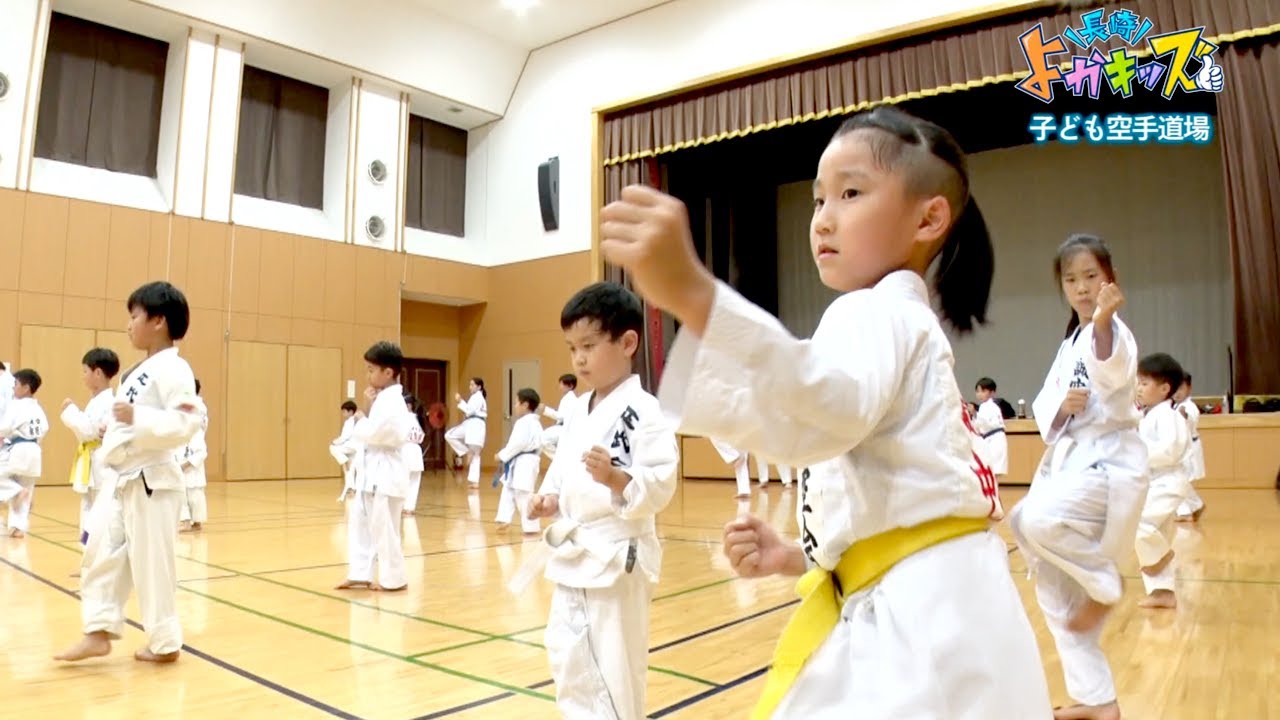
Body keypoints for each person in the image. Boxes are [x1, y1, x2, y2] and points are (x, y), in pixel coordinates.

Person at [599, 105, 1051, 718]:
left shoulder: (877, 312)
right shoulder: (900, 320)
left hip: (922, 622)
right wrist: (799, 556)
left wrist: (695, 293)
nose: (823, 219)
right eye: (817, 201)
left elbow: (820, 411)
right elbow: (890, 490)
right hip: (946, 606)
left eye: (851, 193)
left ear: (929, 216)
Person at [524, 282, 679, 720]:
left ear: (628, 342)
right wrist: (549, 499)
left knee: (614, 669)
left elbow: (661, 481)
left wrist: (616, 478)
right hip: (575, 553)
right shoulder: (577, 409)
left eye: (589, 345)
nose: (579, 359)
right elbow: (564, 470)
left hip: (616, 556)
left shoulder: (645, 410)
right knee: (568, 656)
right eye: (573, 348)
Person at [1012, 235, 1146, 720]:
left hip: (1109, 467)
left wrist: (1105, 320)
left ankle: (1105, 584)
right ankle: (1098, 702)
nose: (1082, 287)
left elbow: (1111, 365)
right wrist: (1061, 408)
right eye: (1071, 279)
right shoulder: (1069, 343)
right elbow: (1050, 400)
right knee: (1050, 583)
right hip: (1073, 463)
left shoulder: (1110, 331)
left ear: (1109, 277)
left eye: (1091, 276)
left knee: (1039, 520)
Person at [55, 281, 202, 664]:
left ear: (158, 320)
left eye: (134, 316)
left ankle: (165, 642)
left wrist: (137, 418)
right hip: (122, 479)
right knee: (98, 550)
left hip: (153, 480)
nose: (129, 324)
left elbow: (187, 422)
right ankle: (98, 630)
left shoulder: (174, 367)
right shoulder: (138, 370)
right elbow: (131, 422)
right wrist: (114, 432)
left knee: (152, 564)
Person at [335, 341, 412, 592]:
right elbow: (370, 431)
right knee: (360, 524)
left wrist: (361, 417)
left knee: (385, 529)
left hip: (386, 475)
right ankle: (359, 572)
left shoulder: (394, 402)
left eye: (371, 369)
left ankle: (394, 578)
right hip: (371, 474)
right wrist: (366, 413)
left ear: (388, 372)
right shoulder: (382, 399)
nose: (367, 375)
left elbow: (377, 434)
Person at [1134, 353, 1189, 610]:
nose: (1138, 388)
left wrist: (1136, 452)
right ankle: (1162, 592)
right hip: (1153, 483)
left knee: (1140, 527)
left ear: (1165, 388)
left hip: (1167, 483)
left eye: (1144, 383)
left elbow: (1170, 452)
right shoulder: (1150, 415)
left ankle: (1162, 556)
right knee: (1157, 534)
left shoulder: (1169, 416)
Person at [61, 348, 121, 543]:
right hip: (91, 460)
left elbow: (88, 430)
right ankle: (88, 557)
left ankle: (95, 559)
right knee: (88, 508)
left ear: (98, 373)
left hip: (101, 462)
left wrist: (70, 411)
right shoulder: (96, 401)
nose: (83, 376)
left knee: (99, 510)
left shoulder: (109, 402)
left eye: (85, 371)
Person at [0, 369, 48, 539]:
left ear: (26, 387)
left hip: (18, 449)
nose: (13, 388)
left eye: (16, 385)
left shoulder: (16, 405)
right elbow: (45, 429)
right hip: (35, 451)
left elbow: (4, 427)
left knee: (8, 481)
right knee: (27, 487)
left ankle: (15, 491)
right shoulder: (38, 408)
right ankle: (18, 528)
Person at [493, 387, 543, 534]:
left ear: (525, 405)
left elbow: (517, 444)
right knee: (508, 488)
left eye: (516, 403)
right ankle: (504, 519)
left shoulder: (524, 423)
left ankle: (531, 527)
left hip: (525, 461)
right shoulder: (534, 423)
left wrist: (501, 456)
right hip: (524, 461)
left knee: (523, 495)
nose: (515, 406)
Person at [178, 379, 209, 533]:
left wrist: (187, 463)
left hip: (191, 462)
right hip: (182, 455)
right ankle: (187, 521)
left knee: (195, 496)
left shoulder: (198, 407)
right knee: (182, 494)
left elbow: (202, 451)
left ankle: (194, 522)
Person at [446, 378, 487, 486]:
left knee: (475, 453)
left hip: (474, 424)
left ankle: (474, 481)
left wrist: (460, 401)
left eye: (472, 385)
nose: (470, 387)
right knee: (450, 436)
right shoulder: (477, 397)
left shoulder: (478, 397)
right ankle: (474, 481)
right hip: (473, 424)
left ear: (479, 387)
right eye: (470, 385)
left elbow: (469, 410)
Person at [973, 376, 1009, 479]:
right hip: (993, 440)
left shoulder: (988, 406)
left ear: (992, 392)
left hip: (994, 441)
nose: (980, 394)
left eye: (983, 391)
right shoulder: (986, 407)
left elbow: (984, 423)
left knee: (991, 473)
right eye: (978, 391)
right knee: (991, 474)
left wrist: (974, 414)